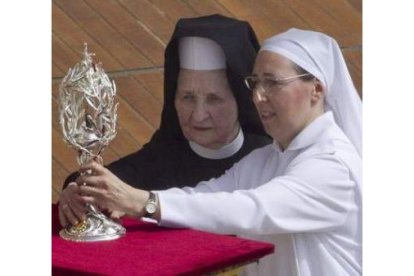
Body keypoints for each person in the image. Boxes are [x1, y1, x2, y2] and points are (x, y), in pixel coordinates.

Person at [67, 28, 362, 275]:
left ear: (317, 89)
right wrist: (101, 197)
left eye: (272, 83)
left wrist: (143, 202)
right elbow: (205, 195)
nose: (258, 96)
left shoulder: (333, 166)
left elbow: (252, 209)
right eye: (255, 83)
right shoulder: (267, 158)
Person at [59, 14, 271, 226]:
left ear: (242, 100)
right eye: (187, 97)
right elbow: (105, 182)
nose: (198, 115)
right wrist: (77, 191)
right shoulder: (160, 158)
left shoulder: (270, 157)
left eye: (213, 99)